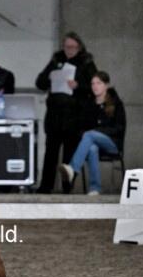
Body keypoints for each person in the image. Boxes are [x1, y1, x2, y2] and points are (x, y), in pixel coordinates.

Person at [35, 31, 97, 194]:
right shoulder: (57, 60)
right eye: (66, 46)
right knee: (51, 153)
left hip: (74, 116)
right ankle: (46, 186)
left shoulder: (86, 62)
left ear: (79, 47)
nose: (69, 50)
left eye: (72, 47)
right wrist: (50, 77)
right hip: (55, 114)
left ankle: (67, 188)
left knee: (69, 153)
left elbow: (94, 88)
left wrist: (78, 86)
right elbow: (40, 82)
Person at [59, 71, 126, 195]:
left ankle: (72, 169)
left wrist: (96, 132)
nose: (95, 86)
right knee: (92, 148)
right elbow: (81, 128)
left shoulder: (116, 103)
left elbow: (119, 128)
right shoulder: (90, 105)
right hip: (93, 143)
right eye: (92, 83)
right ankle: (95, 188)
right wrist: (89, 134)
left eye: (99, 83)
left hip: (112, 144)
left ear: (106, 85)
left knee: (90, 135)